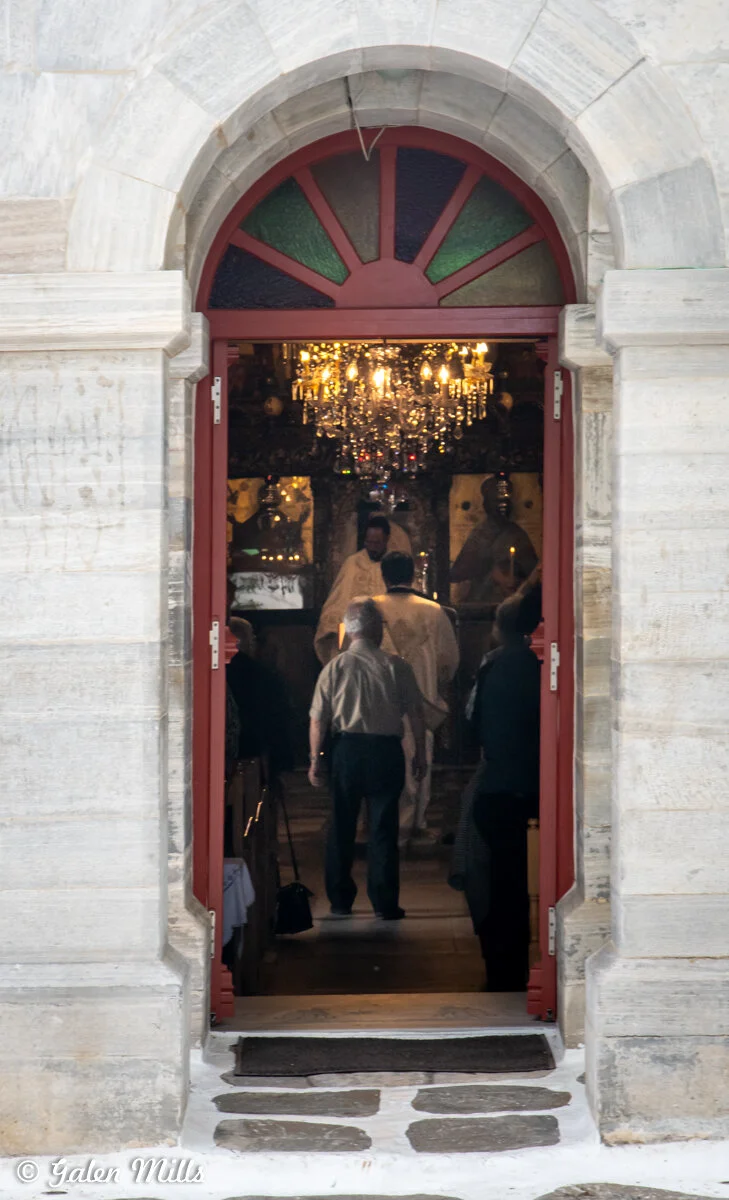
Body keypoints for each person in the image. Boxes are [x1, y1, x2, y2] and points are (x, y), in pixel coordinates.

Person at [308, 599, 426, 920]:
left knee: (341, 826)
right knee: (384, 827)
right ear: (375, 629)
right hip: (386, 751)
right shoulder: (396, 666)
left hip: (346, 751)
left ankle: (340, 900)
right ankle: (385, 902)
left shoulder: (334, 667)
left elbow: (319, 719)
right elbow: (415, 714)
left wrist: (315, 760)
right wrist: (421, 756)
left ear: (350, 631)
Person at [470, 592, 540, 990]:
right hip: (531, 786)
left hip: (498, 787)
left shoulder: (493, 666)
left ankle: (502, 966)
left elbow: (473, 723)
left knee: (502, 882)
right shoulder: (536, 663)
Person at [374, 551, 460, 845]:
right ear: (412, 575)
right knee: (419, 757)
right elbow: (449, 660)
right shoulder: (433, 611)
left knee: (383, 762)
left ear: (383, 575)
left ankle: (383, 824)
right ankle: (416, 822)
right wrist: (433, 681)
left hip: (379, 706)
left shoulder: (369, 609)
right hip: (421, 702)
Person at [314, 514, 412, 664]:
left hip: (389, 639)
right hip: (357, 638)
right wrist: (330, 623)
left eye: (377, 543)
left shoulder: (394, 564)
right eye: (369, 542)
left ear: (386, 540)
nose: (372, 547)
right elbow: (338, 599)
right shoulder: (353, 563)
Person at [450, 474, 538, 605]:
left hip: (514, 602)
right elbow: (457, 573)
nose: (502, 506)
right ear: (486, 504)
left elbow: (533, 571)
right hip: (481, 601)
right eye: (495, 501)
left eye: (505, 502)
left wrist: (512, 569)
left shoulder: (516, 534)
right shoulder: (480, 534)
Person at [226, 617, 294, 780]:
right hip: (256, 749)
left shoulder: (217, 671)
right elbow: (278, 715)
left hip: (228, 749)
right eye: (252, 638)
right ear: (242, 640)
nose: (254, 643)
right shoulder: (262, 674)